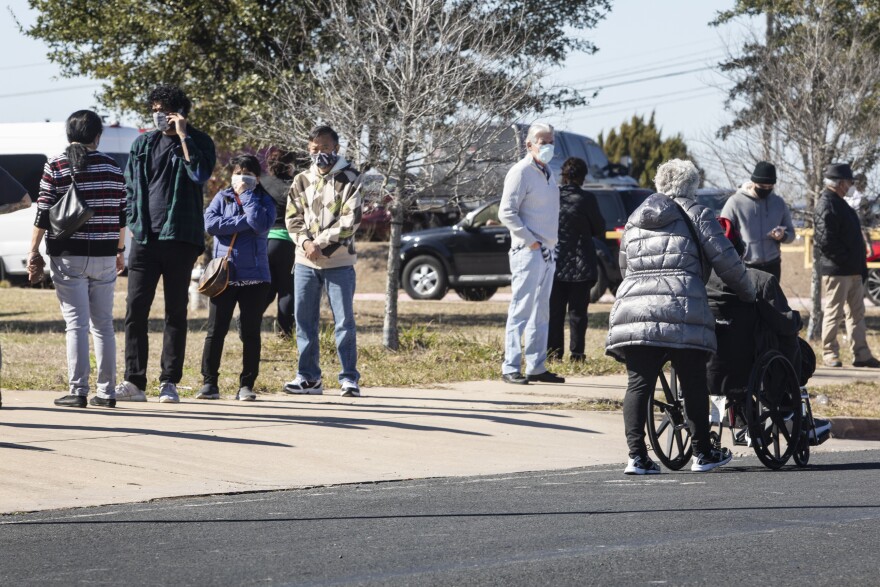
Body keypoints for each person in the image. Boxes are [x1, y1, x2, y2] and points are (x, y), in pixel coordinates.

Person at [606, 159, 756, 475]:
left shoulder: (635, 218)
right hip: (682, 306)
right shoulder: (698, 214)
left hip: (635, 308)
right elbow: (726, 260)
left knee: (638, 383)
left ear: (660, 184)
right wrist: (748, 292)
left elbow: (624, 267)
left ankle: (637, 456)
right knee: (692, 381)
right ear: (692, 185)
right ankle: (702, 453)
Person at [116, 84, 217, 403]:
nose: (159, 116)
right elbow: (130, 186)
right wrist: (133, 222)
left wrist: (184, 136)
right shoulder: (143, 143)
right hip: (146, 238)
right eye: (155, 110)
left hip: (182, 238)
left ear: (181, 112)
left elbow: (200, 173)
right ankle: (134, 381)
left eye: (165, 111)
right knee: (135, 309)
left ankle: (169, 381)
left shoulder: (200, 141)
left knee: (176, 310)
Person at [25, 110, 126, 408]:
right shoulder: (113, 167)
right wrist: (120, 251)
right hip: (106, 255)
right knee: (104, 325)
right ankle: (107, 393)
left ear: (69, 135)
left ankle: (78, 390)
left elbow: (43, 211)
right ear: (98, 136)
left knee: (76, 325)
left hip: (68, 255)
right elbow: (123, 214)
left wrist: (33, 250)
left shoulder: (56, 165)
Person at [284, 125, 363, 397]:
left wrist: (320, 242)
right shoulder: (301, 179)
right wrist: (305, 242)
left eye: (325, 148)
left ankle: (349, 378)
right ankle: (308, 377)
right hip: (305, 261)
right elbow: (292, 217)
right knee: (305, 321)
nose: (320, 154)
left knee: (344, 322)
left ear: (336, 149)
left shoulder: (351, 177)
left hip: (339, 261)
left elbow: (350, 220)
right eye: (314, 149)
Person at [198, 155, 275, 401]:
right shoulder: (221, 197)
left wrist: (247, 196)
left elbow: (260, 223)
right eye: (237, 172)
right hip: (225, 275)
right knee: (215, 330)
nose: (241, 177)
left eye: (247, 173)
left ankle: (246, 385)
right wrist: (242, 222)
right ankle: (210, 383)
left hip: (256, 278)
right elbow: (210, 225)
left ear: (257, 177)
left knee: (251, 332)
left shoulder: (265, 200)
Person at [498, 122, 563, 385]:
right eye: (542, 141)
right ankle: (510, 366)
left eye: (550, 141)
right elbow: (506, 212)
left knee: (541, 311)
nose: (547, 146)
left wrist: (547, 245)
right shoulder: (521, 172)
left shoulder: (548, 172)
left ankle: (536, 365)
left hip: (547, 249)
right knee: (521, 308)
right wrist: (531, 242)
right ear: (529, 144)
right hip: (528, 250)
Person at [814, 163, 880, 369]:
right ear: (840, 183)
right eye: (849, 182)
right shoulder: (827, 204)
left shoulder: (842, 203)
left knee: (856, 315)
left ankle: (861, 354)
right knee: (834, 312)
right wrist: (844, 260)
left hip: (852, 271)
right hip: (837, 271)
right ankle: (829, 353)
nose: (851, 185)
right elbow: (826, 241)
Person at [547, 157, 605, 363]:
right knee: (578, 313)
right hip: (581, 262)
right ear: (582, 177)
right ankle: (577, 355)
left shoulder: (553, 197)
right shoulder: (587, 199)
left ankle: (553, 355)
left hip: (555, 261)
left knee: (555, 312)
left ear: (563, 175)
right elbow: (599, 228)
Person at [720, 161, 795, 281]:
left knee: (771, 300)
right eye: (762, 187)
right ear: (753, 182)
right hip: (746, 266)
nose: (766, 189)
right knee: (748, 300)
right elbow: (723, 232)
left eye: (770, 187)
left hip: (773, 265)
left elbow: (791, 234)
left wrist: (782, 236)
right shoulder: (735, 202)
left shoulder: (779, 203)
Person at [259, 149, 296, 338]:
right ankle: (285, 332)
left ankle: (249, 318)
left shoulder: (262, 183)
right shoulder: (293, 186)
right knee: (287, 290)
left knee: (268, 288)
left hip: (263, 242)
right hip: (286, 242)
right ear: (290, 165)